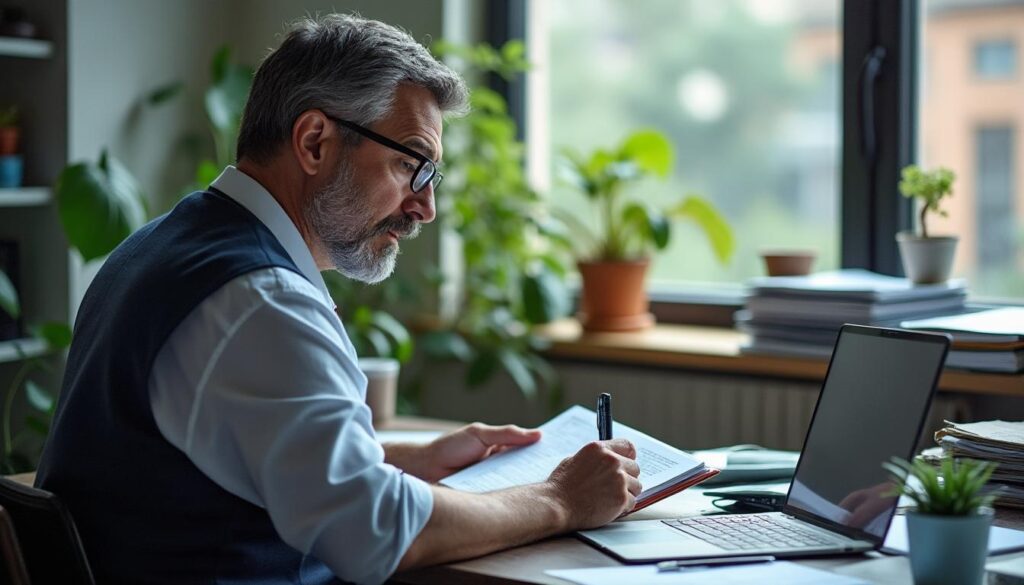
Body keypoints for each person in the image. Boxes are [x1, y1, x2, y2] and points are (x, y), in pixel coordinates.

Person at [35, 13, 641, 585]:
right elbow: (376, 532)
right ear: (316, 142)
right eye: (412, 165)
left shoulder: (160, 248)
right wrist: (559, 499)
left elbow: (238, 446)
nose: (425, 207)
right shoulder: (261, 301)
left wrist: (411, 459)